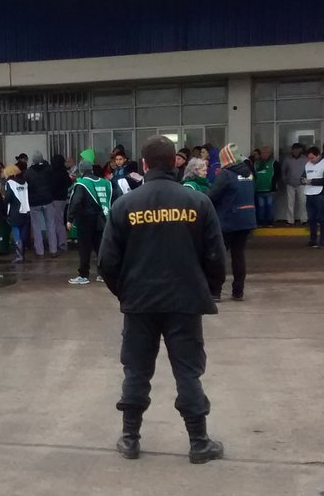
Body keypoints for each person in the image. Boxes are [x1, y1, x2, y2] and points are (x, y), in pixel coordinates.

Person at [98, 135, 226, 465]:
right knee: (188, 373)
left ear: (143, 165)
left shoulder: (124, 205)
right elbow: (215, 256)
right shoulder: (198, 202)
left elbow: (107, 263)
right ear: (175, 163)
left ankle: (130, 438)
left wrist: (126, 293)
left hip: (140, 303)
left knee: (136, 371)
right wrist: (207, 290)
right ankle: (199, 442)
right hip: (185, 302)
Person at [208, 143, 257, 301]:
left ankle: (215, 292)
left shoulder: (226, 174)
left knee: (219, 256)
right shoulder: (248, 173)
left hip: (228, 219)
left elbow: (213, 195)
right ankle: (238, 291)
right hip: (247, 218)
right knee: (238, 255)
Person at [67, 160, 116, 285]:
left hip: (85, 220)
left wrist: (70, 219)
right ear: (92, 169)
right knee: (100, 247)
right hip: (101, 219)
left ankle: (83, 275)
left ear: (81, 171)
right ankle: (102, 274)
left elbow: (76, 201)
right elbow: (115, 197)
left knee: (84, 248)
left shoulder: (82, 184)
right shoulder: (105, 182)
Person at [25, 151, 58, 258]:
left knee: (36, 227)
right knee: (51, 225)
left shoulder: (28, 172)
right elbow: (53, 184)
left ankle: (40, 252)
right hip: (48, 200)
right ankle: (53, 250)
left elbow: (27, 187)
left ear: (33, 160)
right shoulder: (49, 169)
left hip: (34, 202)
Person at [301, 146, 324, 248]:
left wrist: (311, 181)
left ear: (319, 155)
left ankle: (323, 240)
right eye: (309, 158)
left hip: (321, 194)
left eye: (312, 158)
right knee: (311, 218)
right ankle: (312, 239)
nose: (310, 160)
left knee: (321, 218)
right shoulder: (307, 164)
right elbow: (303, 175)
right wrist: (302, 180)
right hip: (309, 193)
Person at [3, 164, 30, 263]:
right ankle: (23, 254)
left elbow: (8, 197)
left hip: (15, 211)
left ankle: (19, 256)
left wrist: (3, 204)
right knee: (23, 233)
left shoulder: (10, 182)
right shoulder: (25, 182)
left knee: (16, 233)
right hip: (26, 210)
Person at [281, 143, 308, 225]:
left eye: (297, 149)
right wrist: (285, 180)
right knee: (290, 203)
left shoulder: (305, 159)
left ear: (301, 150)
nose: (295, 151)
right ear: (292, 150)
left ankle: (304, 220)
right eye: (294, 149)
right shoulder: (287, 159)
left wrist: (306, 180)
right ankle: (290, 221)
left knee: (303, 202)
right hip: (290, 184)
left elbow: (309, 169)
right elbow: (283, 170)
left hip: (302, 184)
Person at [253, 146, 280, 227]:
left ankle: (269, 222)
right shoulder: (255, 163)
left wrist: (274, 185)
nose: (264, 154)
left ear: (270, 154)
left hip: (269, 189)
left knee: (269, 205)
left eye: (266, 153)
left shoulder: (274, 163)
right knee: (260, 206)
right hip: (258, 189)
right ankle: (261, 222)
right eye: (263, 153)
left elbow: (278, 175)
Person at [51, 154, 73, 252]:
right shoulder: (64, 172)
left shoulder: (53, 173)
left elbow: (51, 187)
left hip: (55, 200)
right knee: (59, 221)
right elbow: (69, 183)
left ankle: (62, 244)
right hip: (63, 199)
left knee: (57, 222)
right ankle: (61, 243)